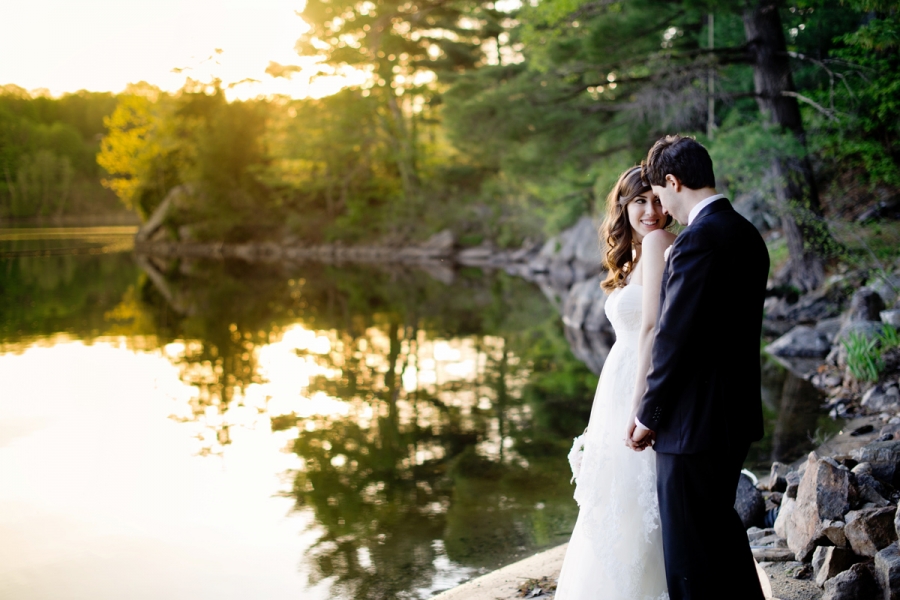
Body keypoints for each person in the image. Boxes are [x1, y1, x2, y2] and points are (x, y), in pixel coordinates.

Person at [627, 135, 769, 600]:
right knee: (722, 539)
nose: (661, 207)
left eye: (661, 193)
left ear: (673, 180)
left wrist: (649, 415)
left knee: (689, 556)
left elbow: (673, 340)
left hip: (692, 426)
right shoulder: (747, 234)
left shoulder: (697, 242)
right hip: (734, 418)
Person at [555, 165, 676, 600]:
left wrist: (640, 406)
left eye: (657, 200)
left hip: (636, 385)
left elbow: (654, 330)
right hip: (617, 384)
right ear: (623, 208)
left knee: (636, 502)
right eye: (639, 201)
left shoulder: (661, 243)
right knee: (614, 503)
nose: (650, 210)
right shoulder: (639, 253)